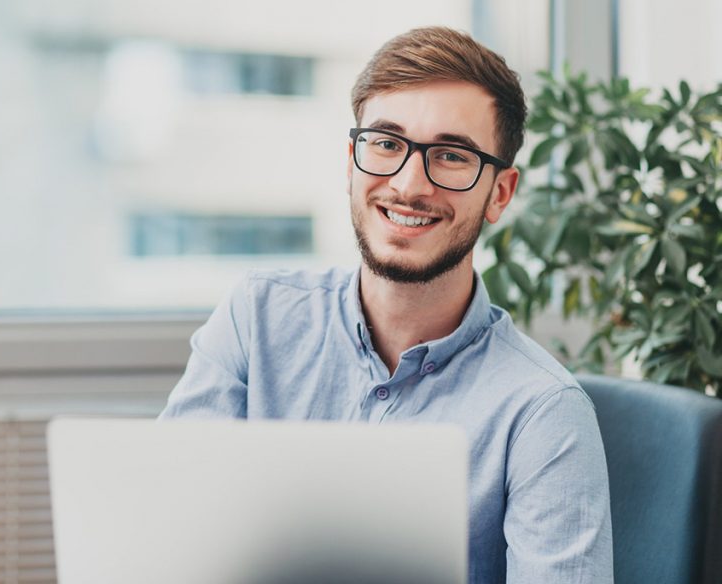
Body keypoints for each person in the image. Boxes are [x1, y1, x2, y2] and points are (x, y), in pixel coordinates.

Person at [159, 26, 613, 584]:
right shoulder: (256, 317)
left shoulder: (543, 411)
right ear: (352, 161)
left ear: (500, 193)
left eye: (451, 155)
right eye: (386, 143)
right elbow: (168, 537)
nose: (408, 183)